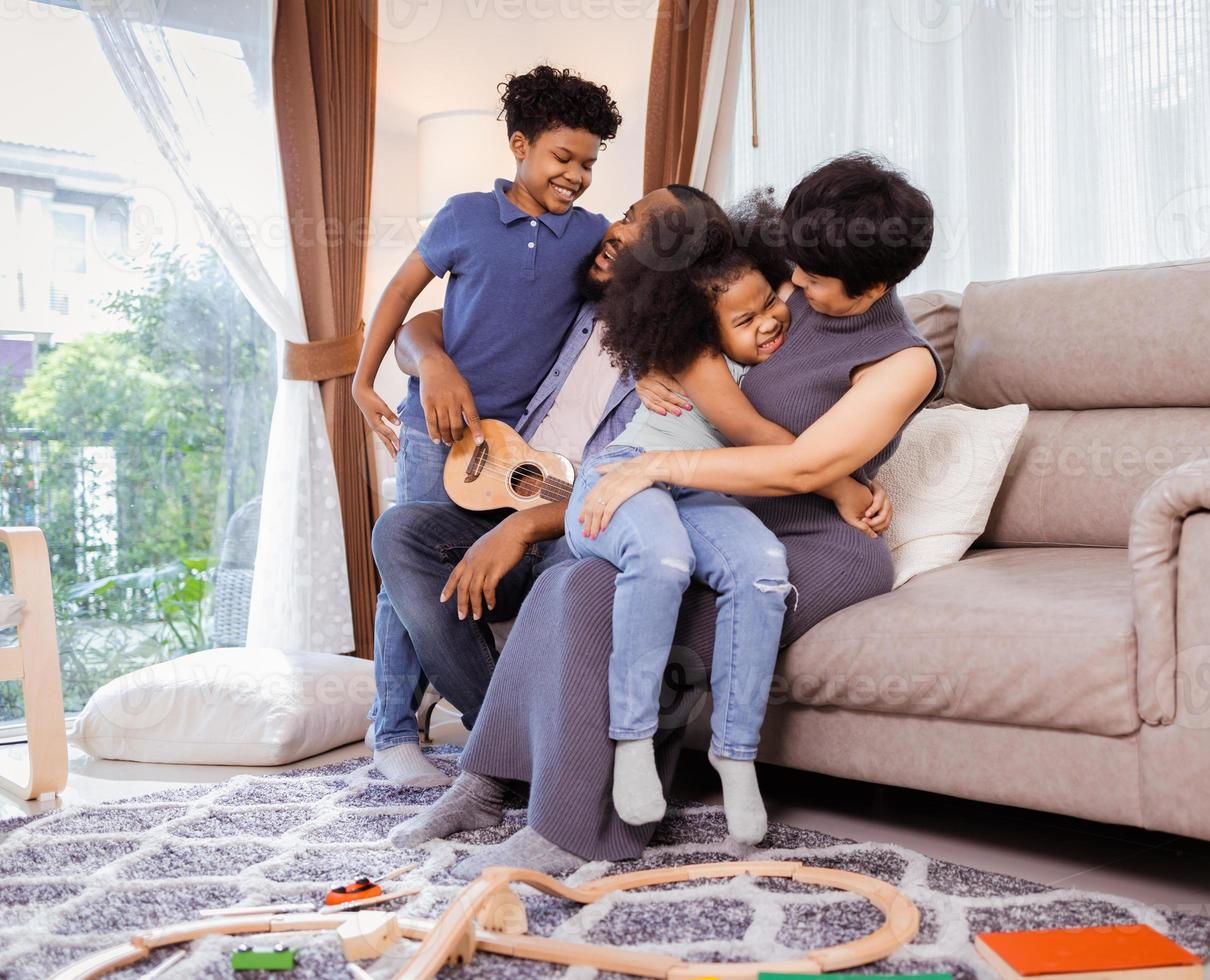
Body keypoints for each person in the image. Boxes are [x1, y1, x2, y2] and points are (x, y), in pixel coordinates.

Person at [386, 153, 945, 877]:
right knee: (569, 583)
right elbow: (696, 331)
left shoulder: (905, 362)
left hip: (818, 543)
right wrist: (661, 360)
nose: (794, 284)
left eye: (811, 276)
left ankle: (576, 833)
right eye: (795, 266)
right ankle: (484, 783)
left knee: (624, 619)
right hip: (719, 511)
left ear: (875, 284)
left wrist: (660, 465)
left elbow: (806, 466)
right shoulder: (790, 292)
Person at [568, 194, 889, 845]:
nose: (771, 320)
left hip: (702, 491)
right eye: (745, 318)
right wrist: (844, 488)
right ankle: (632, 740)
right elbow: (752, 432)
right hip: (630, 474)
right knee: (662, 557)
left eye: (773, 301)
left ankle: (734, 754)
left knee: (765, 569)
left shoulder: (767, 336)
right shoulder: (700, 357)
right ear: (699, 325)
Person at [350, 66, 620, 787]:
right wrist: (362, 376)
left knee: (482, 570)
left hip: (514, 450)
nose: (577, 175)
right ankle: (393, 732)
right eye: (563, 158)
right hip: (433, 433)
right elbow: (401, 295)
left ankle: (497, 721)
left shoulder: (592, 238)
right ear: (520, 145)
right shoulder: (464, 216)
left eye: (590, 163)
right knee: (404, 570)